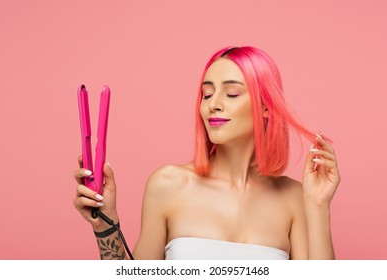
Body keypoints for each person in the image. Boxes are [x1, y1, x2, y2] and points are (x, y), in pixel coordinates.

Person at [73, 46, 340, 260]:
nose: (214, 104)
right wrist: (105, 223)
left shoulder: (294, 198)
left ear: (266, 106)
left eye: (232, 93)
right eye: (207, 93)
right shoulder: (168, 184)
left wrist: (318, 205)